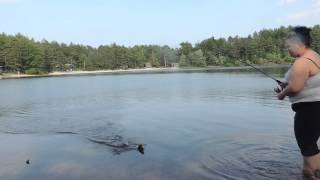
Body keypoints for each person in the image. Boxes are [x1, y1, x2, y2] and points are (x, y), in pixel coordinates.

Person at [276, 26, 320, 179]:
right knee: (309, 147)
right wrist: (284, 84)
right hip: (315, 109)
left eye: (288, 46)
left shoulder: (302, 62)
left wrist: (281, 94)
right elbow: (302, 80)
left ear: (298, 44)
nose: (287, 49)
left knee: (308, 147)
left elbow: (295, 87)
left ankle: (315, 174)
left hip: (309, 110)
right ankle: (308, 174)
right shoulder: (313, 55)